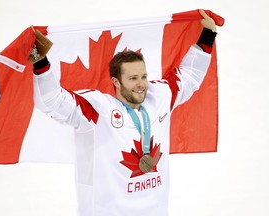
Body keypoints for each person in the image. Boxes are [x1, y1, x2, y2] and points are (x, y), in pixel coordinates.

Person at [32, 9, 218, 216]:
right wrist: (40, 62)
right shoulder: (98, 109)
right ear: (115, 82)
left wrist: (208, 34)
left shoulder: (160, 98)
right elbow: (54, 100)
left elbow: (189, 77)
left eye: (143, 76)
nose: (141, 85)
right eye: (132, 79)